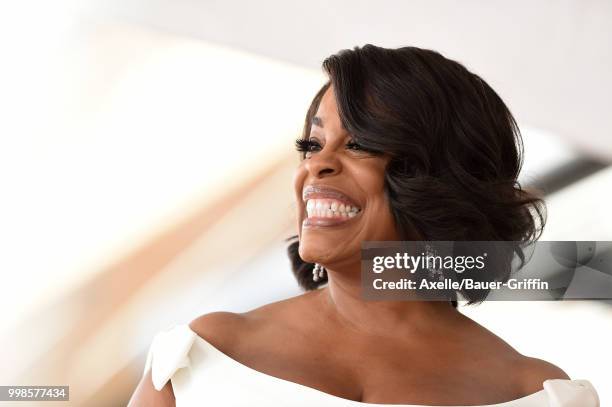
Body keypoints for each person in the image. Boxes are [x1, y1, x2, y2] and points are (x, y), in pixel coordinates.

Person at [128, 45, 600, 406]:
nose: (317, 166)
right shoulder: (208, 353)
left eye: (358, 144)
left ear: (439, 176)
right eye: (312, 144)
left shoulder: (532, 393)